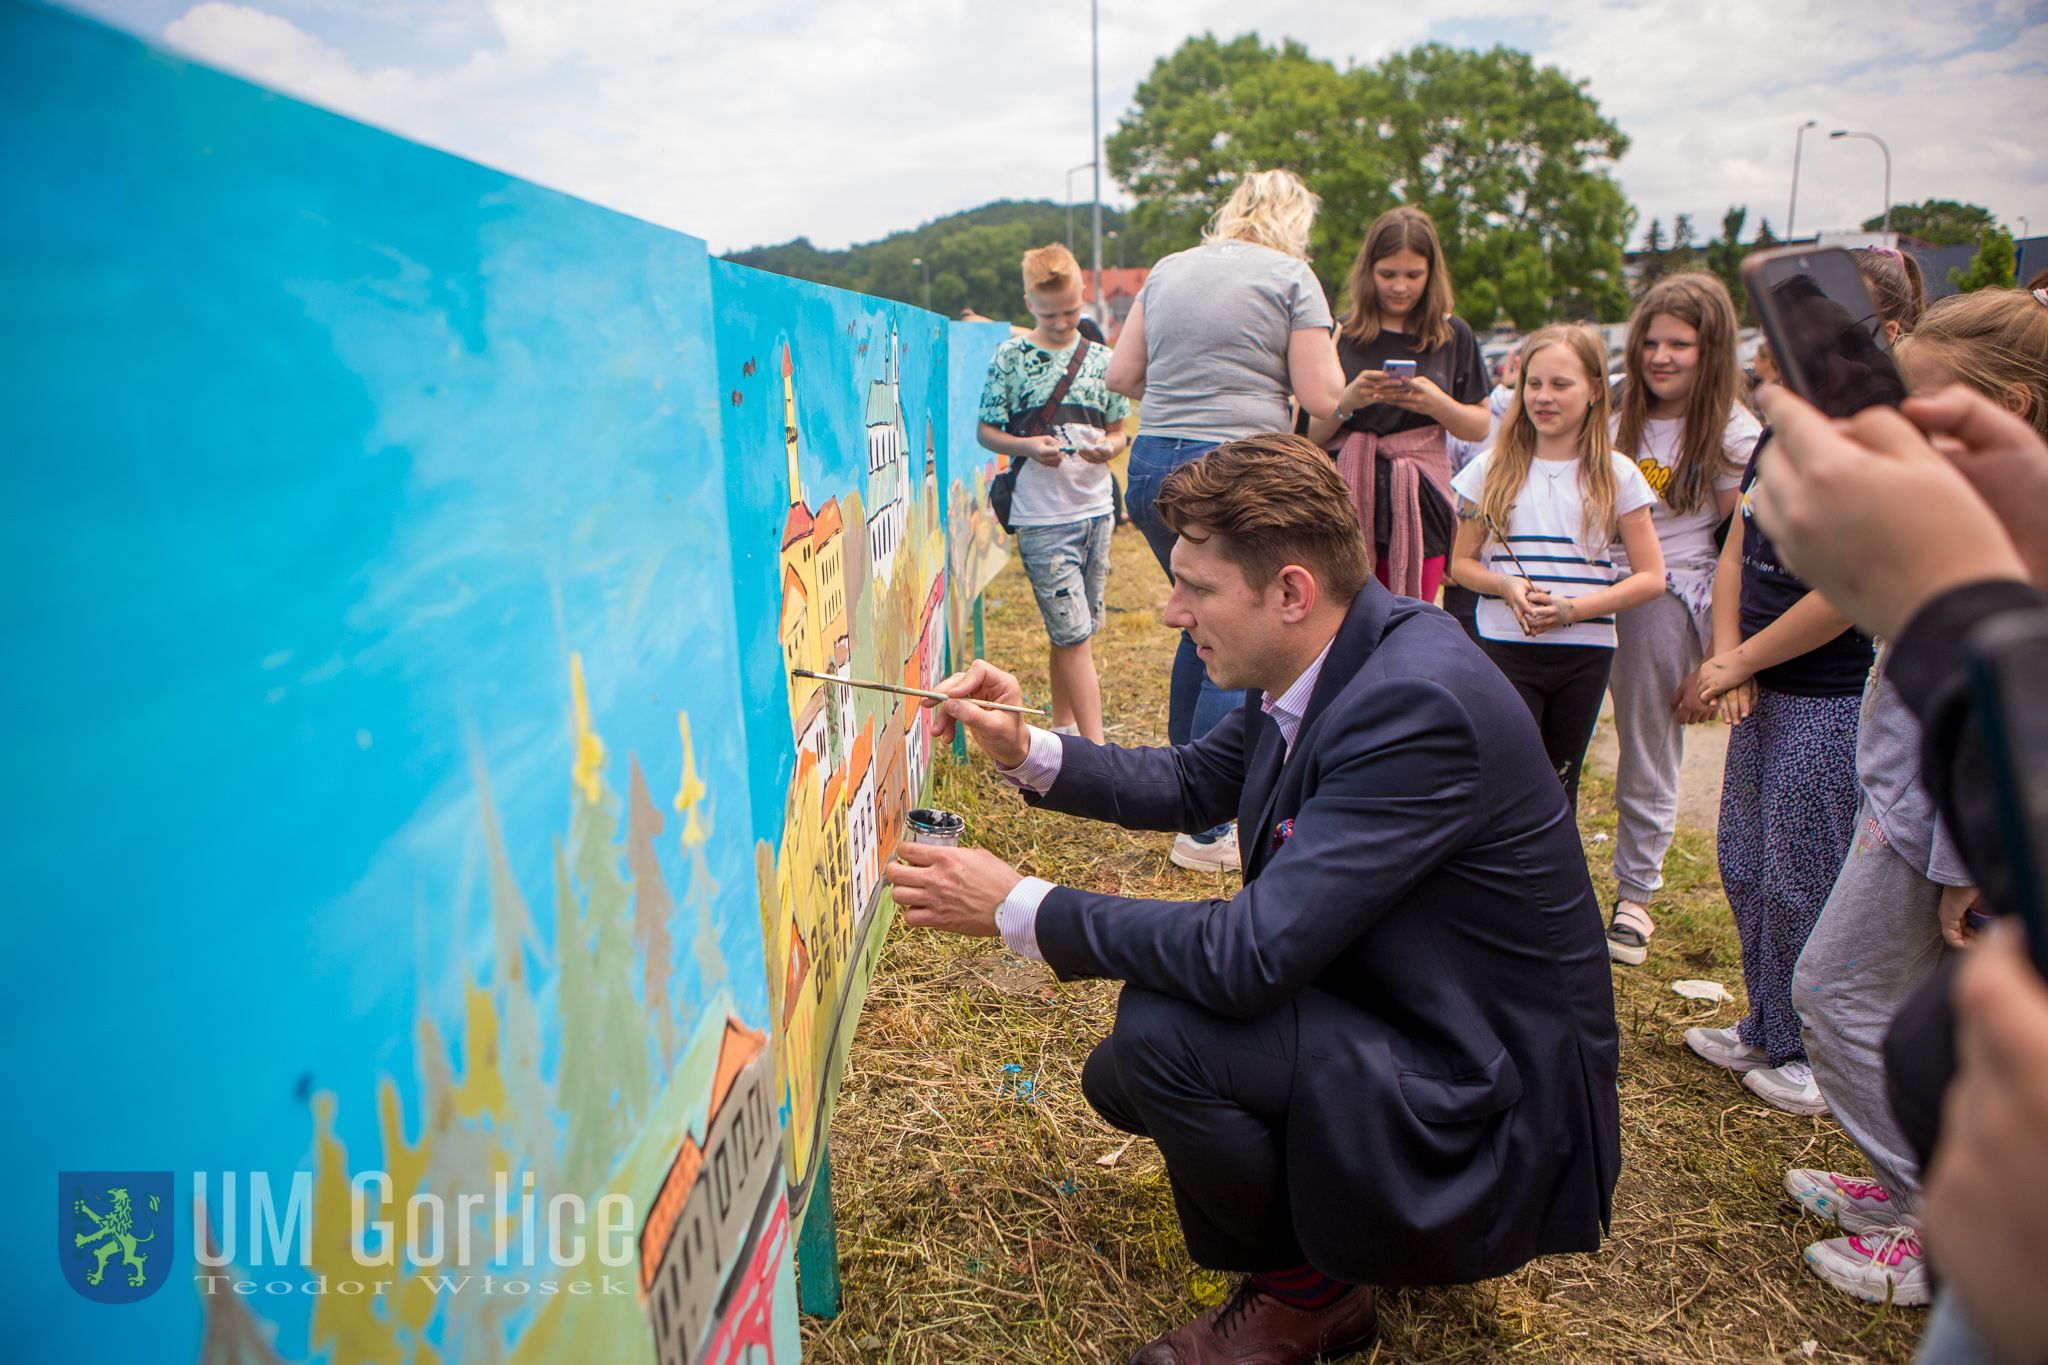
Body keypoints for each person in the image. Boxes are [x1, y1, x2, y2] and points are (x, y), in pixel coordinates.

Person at [887, 436, 1621, 1365]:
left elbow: (1248, 956)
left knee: (1163, 1037)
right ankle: (1327, 1210)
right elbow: (1194, 781)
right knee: (1125, 1073)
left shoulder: (1415, 704)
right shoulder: (1337, 655)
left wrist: (1015, 903)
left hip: (1495, 1102)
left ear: (1290, 592)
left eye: (1195, 585)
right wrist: (1020, 746)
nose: (1168, 609)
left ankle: (1313, 1296)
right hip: (1417, 1016)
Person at [1749, 380, 2048, 1365]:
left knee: (1829, 995)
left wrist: (1949, 597)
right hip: (1916, 813)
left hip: (1940, 832)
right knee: (1869, 997)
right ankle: (1916, 1181)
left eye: (1917, 385)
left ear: (2002, 400)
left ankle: (1927, 1217)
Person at [1106, 169, 1347, 873]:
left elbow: (1122, 377)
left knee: (1199, 621)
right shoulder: (1293, 278)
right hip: (1237, 467)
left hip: (1153, 465)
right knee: (1235, 629)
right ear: (1294, 220)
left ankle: (1187, 797)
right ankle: (1209, 825)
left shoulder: (1168, 270)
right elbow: (1320, 395)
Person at [1688, 352, 1878, 1111]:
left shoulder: (1859, 454)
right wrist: (1729, 656)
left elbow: (1844, 592)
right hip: (1757, 685)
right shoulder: (1773, 439)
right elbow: (1737, 544)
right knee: (1743, 861)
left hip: (1821, 697)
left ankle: (1811, 1052)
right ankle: (1764, 1022)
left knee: (1800, 876)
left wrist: (1742, 659)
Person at [1601, 274, 1759, 965]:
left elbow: (1740, 549)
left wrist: (1719, 658)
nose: (1660, 356)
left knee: (1645, 743)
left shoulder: (1730, 429)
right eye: (1650, 342)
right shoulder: (1609, 411)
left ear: (1712, 347)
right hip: (1585, 584)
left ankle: (1635, 893)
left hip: (1664, 595)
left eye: (1680, 344)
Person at [1448, 324, 1665, 811]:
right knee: (1505, 779)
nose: (1544, 397)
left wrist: (1575, 609)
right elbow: (1461, 564)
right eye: (1534, 383)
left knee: (1561, 780)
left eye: (1560, 384)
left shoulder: (1619, 474)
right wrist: (1504, 584)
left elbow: (1652, 577)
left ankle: (1553, 884)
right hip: (1505, 644)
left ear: (1594, 390)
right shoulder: (1489, 469)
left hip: (1585, 651)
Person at [976, 243, 1130, 742]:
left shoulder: (1104, 359)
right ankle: (1097, 750)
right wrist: (1027, 445)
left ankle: (1063, 725)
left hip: (1096, 509)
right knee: (1076, 635)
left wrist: (1110, 447)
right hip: (1041, 515)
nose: (1063, 322)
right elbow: (986, 432)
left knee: (1074, 630)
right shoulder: (1010, 358)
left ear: (1084, 295)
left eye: (1071, 311)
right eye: (1050, 314)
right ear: (1028, 304)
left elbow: (1119, 428)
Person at [1302, 206, 1493, 604]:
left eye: (1413, 275)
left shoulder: (1452, 334)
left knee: (1410, 616)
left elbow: (1477, 427)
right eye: (1388, 274)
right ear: (1369, 271)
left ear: (1431, 273)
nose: (1400, 287)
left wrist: (1436, 403)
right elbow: (1305, 436)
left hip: (1420, 503)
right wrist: (1347, 402)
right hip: (1345, 500)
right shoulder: (1342, 332)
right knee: (1343, 612)